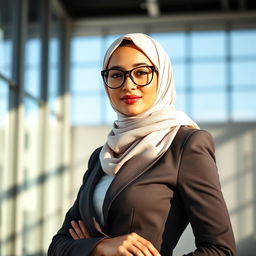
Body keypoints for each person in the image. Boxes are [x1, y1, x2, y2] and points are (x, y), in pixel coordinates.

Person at [48, 33, 236, 256]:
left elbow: (221, 249)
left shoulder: (185, 145)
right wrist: (100, 247)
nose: (128, 85)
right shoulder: (101, 156)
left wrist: (83, 247)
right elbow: (58, 246)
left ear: (162, 77)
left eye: (141, 73)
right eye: (116, 75)